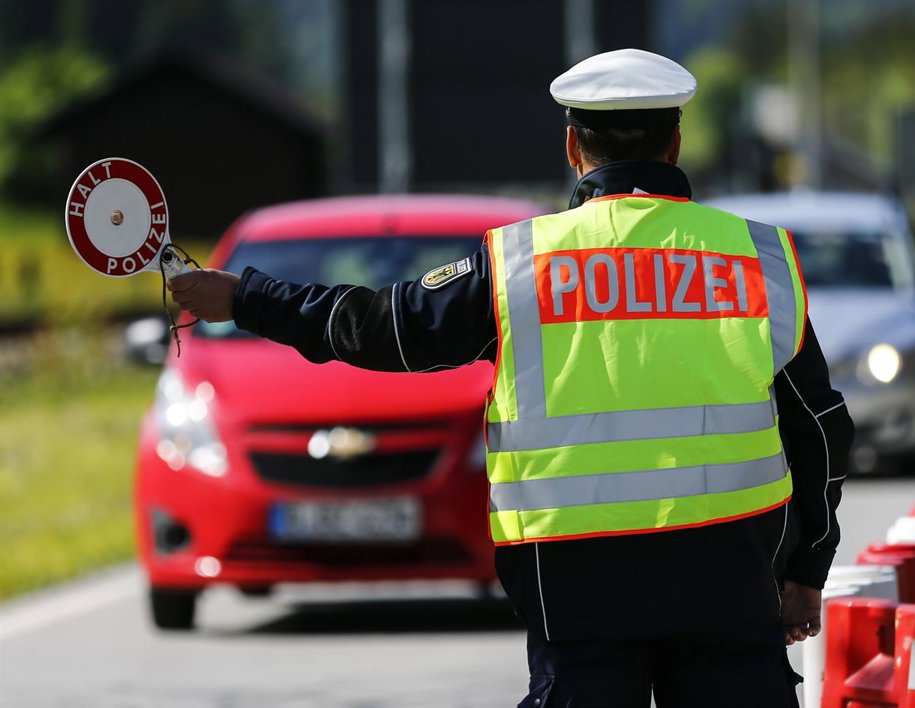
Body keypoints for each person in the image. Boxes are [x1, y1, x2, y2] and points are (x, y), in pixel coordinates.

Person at [169, 48, 853, 708]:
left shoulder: (518, 263)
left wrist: (248, 298)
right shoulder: (757, 258)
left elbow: (382, 328)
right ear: (674, 144)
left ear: (572, 148)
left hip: (574, 590)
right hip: (731, 577)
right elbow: (821, 428)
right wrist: (807, 569)